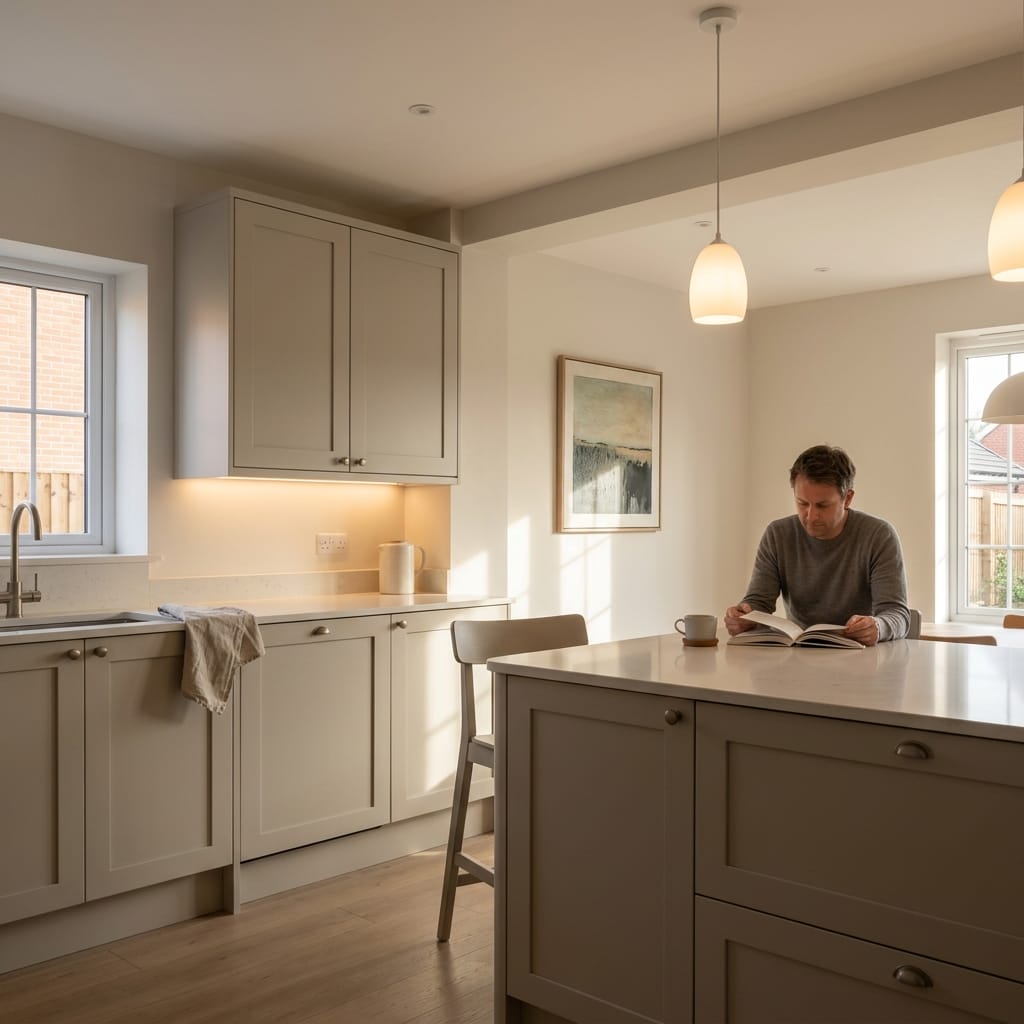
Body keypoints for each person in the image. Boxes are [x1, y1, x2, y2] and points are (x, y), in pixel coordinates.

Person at [725, 445, 910, 646]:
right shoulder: (777, 534)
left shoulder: (878, 535)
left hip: (861, 656)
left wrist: (878, 626)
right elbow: (758, 603)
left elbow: (897, 613)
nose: (811, 516)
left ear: (847, 498)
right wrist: (744, 618)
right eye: (802, 503)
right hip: (798, 652)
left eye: (822, 505)